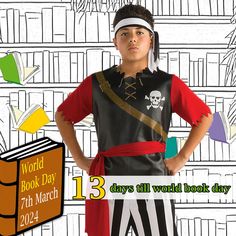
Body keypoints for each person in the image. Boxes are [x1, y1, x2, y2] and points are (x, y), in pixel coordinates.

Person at [55, 4, 213, 236]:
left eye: (139, 33)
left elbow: (204, 116)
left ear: (151, 39)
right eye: (125, 34)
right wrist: (79, 158)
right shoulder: (97, 83)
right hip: (108, 178)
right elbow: (63, 115)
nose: (132, 39)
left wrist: (181, 157)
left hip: (154, 178)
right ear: (115, 41)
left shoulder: (167, 83)